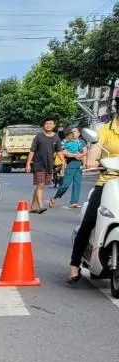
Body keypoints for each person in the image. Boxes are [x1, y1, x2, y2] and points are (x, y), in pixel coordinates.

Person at [68, 97, 119, 283]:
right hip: (108, 181)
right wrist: (92, 160)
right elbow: (95, 149)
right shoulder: (104, 130)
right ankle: (74, 263)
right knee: (89, 220)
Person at [25, 117, 62, 213]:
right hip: (38, 164)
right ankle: (41, 206)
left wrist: (63, 161)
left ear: (54, 125)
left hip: (49, 165)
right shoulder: (38, 137)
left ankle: (33, 206)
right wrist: (28, 164)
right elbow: (32, 151)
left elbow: (59, 151)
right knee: (40, 185)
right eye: (46, 124)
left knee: (40, 186)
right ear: (43, 125)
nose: (48, 125)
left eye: (50, 123)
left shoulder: (56, 137)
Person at [51, 127, 86, 209]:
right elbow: (63, 152)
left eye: (75, 131)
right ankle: (54, 197)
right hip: (70, 164)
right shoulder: (65, 141)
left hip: (79, 165)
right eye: (72, 131)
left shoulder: (82, 142)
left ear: (79, 133)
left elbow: (85, 152)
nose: (73, 133)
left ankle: (74, 202)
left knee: (77, 184)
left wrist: (83, 161)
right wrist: (74, 155)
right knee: (65, 185)